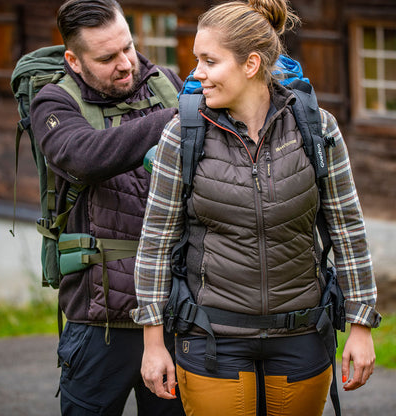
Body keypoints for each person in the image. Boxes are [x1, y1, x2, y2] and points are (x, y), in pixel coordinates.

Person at [130, 1, 382, 415]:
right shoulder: (183, 133)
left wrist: (360, 324)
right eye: (197, 60)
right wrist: (153, 343)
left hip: (301, 333)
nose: (196, 73)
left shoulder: (317, 127)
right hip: (212, 336)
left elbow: (348, 229)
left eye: (209, 61)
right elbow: (156, 241)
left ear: (250, 64)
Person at [29, 0, 186, 415]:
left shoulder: (166, 83)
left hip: (172, 312)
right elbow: (86, 155)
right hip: (98, 323)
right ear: (74, 61)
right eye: (106, 57)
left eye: (127, 48)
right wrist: (179, 117)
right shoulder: (53, 104)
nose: (124, 64)